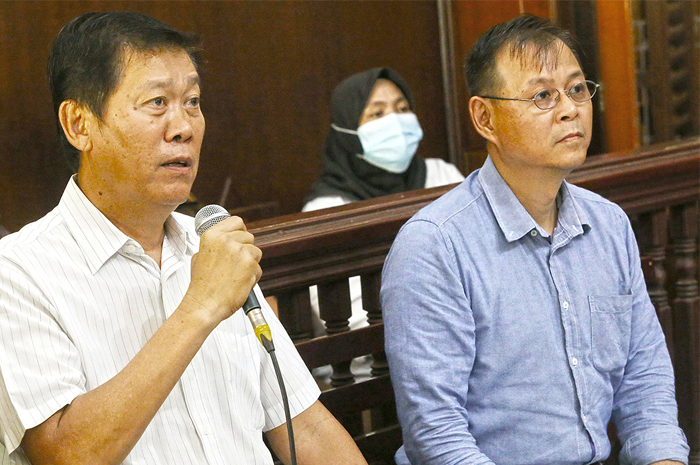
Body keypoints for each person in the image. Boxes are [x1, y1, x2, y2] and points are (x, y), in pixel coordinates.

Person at [0, 12, 366, 465]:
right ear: (79, 124)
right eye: (157, 102)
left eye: (192, 101)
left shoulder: (209, 242)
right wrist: (200, 307)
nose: (184, 127)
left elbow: (305, 426)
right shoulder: (18, 273)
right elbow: (66, 455)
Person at [381, 14, 689, 465]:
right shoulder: (434, 246)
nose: (570, 109)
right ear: (485, 117)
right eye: (543, 95)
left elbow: (645, 385)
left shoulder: (609, 225)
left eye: (577, 89)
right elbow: (437, 434)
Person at [304, 68, 464, 334]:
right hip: (375, 351)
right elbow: (347, 315)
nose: (395, 121)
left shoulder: (442, 175)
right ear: (347, 129)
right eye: (377, 114)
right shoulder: (326, 209)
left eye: (403, 109)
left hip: (468, 328)